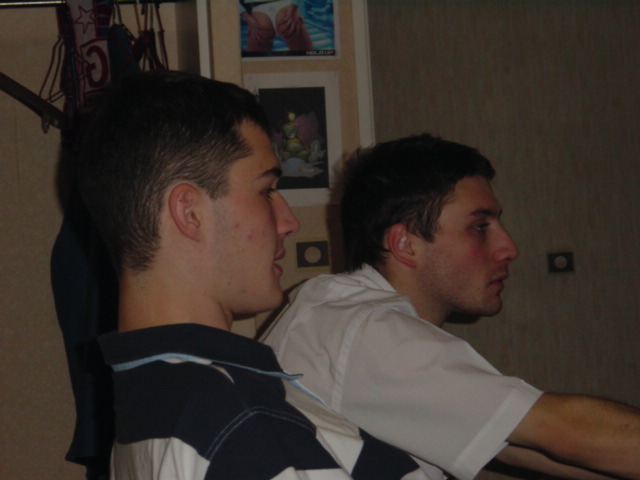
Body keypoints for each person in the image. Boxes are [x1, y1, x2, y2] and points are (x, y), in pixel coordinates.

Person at [77, 70, 430, 480]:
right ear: (190, 212)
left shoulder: (157, 395)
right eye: (266, 190)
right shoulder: (232, 425)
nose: (289, 222)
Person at [262, 133, 640, 480]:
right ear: (406, 244)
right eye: (480, 227)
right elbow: (567, 432)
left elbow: (516, 445)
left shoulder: (333, 309)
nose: (509, 248)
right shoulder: (367, 330)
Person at [240, 0, 314, 53]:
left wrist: (247, 18)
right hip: (286, 9)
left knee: (256, 67)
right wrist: (294, 6)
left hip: (259, 15)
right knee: (307, 61)